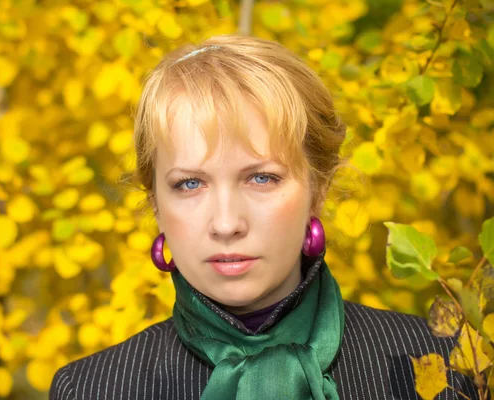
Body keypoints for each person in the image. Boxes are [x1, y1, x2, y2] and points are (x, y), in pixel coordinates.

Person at [50, 34, 480, 400]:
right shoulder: (93, 388)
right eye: (189, 184)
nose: (226, 223)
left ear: (319, 188)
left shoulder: (444, 364)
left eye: (260, 178)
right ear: (156, 203)